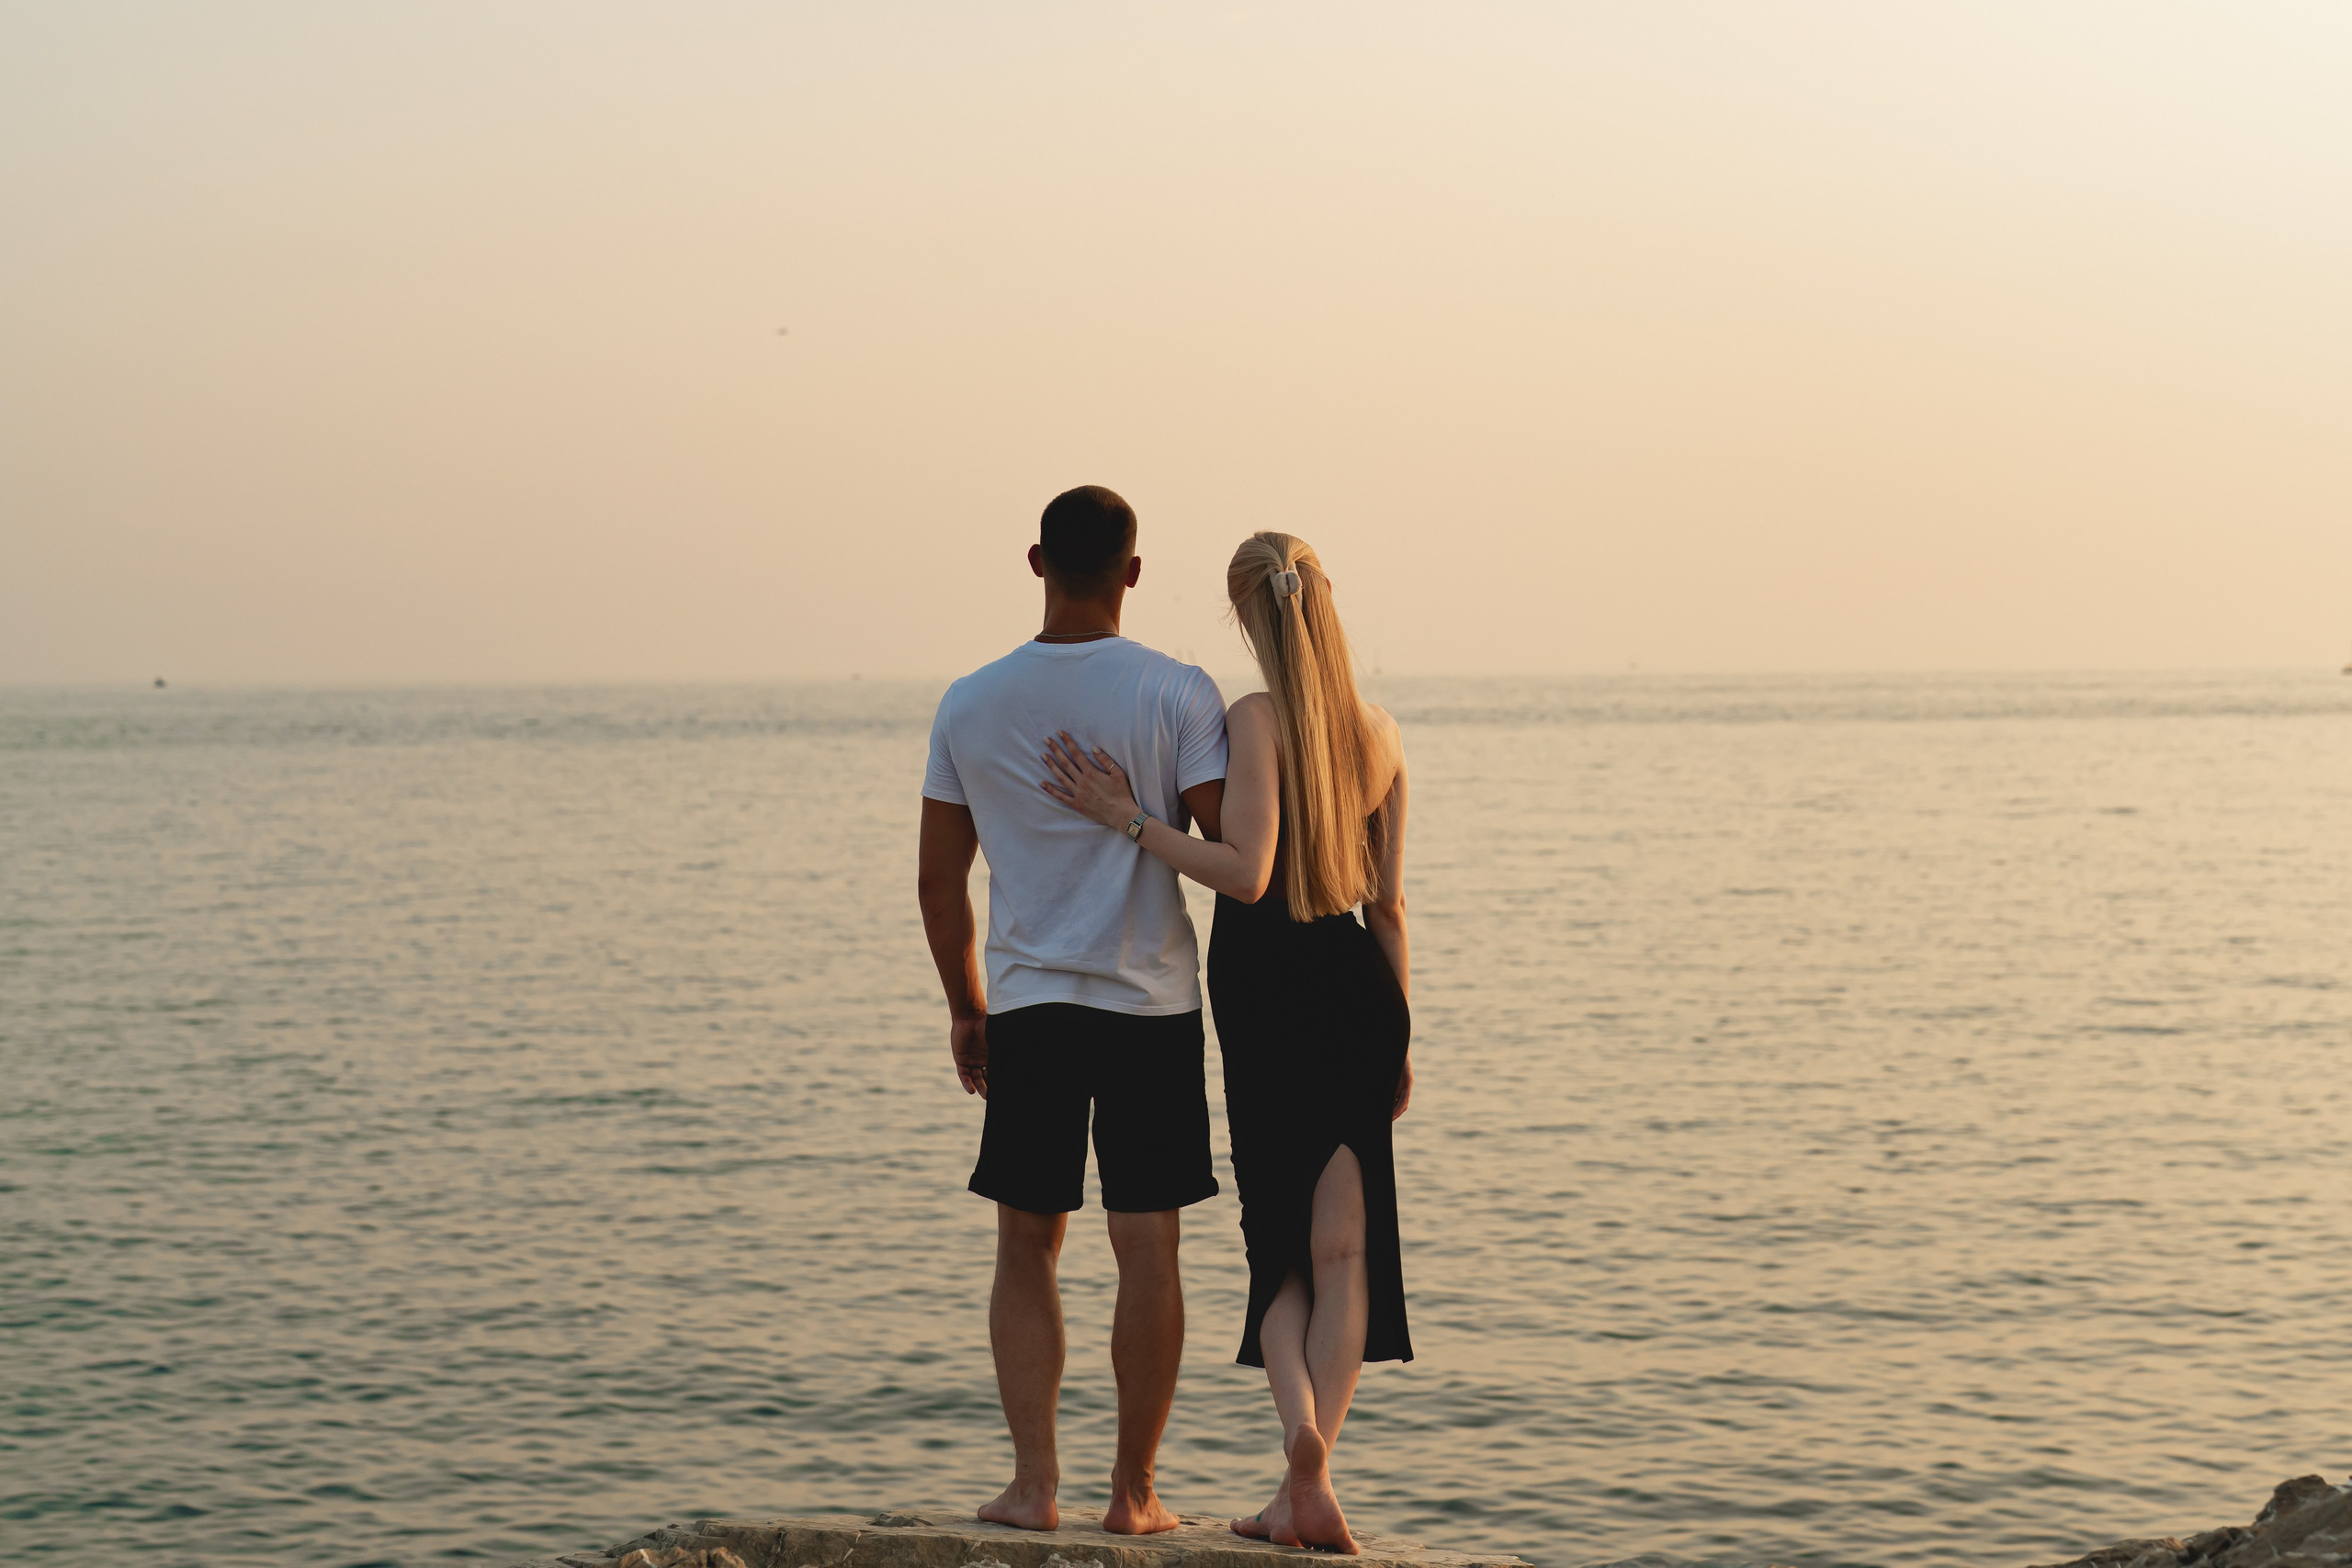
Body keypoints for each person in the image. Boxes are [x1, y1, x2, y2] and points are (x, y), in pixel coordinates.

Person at [1039, 531, 1411, 1556]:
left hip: (1269, 989)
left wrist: (1126, 817)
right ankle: (1309, 1482)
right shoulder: (1382, 734)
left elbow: (1245, 874)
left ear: (1248, 618)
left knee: (1280, 1256)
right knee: (1346, 1253)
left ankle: (1301, 1447)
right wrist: (1404, 1040)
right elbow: (1389, 908)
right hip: (1361, 994)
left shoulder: (1255, 720)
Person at [916, 485, 1231, 1535]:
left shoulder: (969, 700)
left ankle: (1033, 1486)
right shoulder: (1178, 693)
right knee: (1148, 1246)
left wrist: (967, 1007)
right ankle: (1133, 1495)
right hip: (1150, 1003)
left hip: (1030, 1003)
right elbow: (1227, 849)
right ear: (1132, 573)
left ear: (1035, 562)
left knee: (1025, 1245)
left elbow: (937, 883)